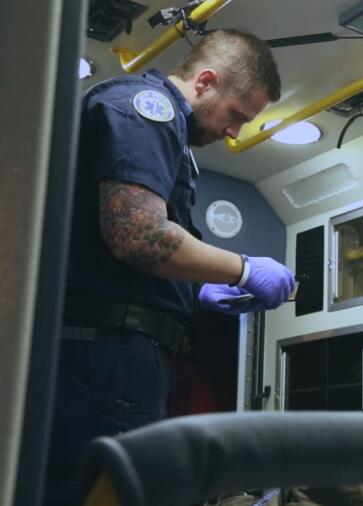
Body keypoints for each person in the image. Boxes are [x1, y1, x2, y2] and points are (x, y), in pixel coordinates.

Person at [47, 29, 295, 505]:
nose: (235, 133)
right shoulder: (145, 110)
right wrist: (242, 268)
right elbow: (139, 235)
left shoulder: (170, 137)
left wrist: (195, 291)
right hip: (104, 352)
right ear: (205, 81)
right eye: (236, 115)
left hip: (116, 351)